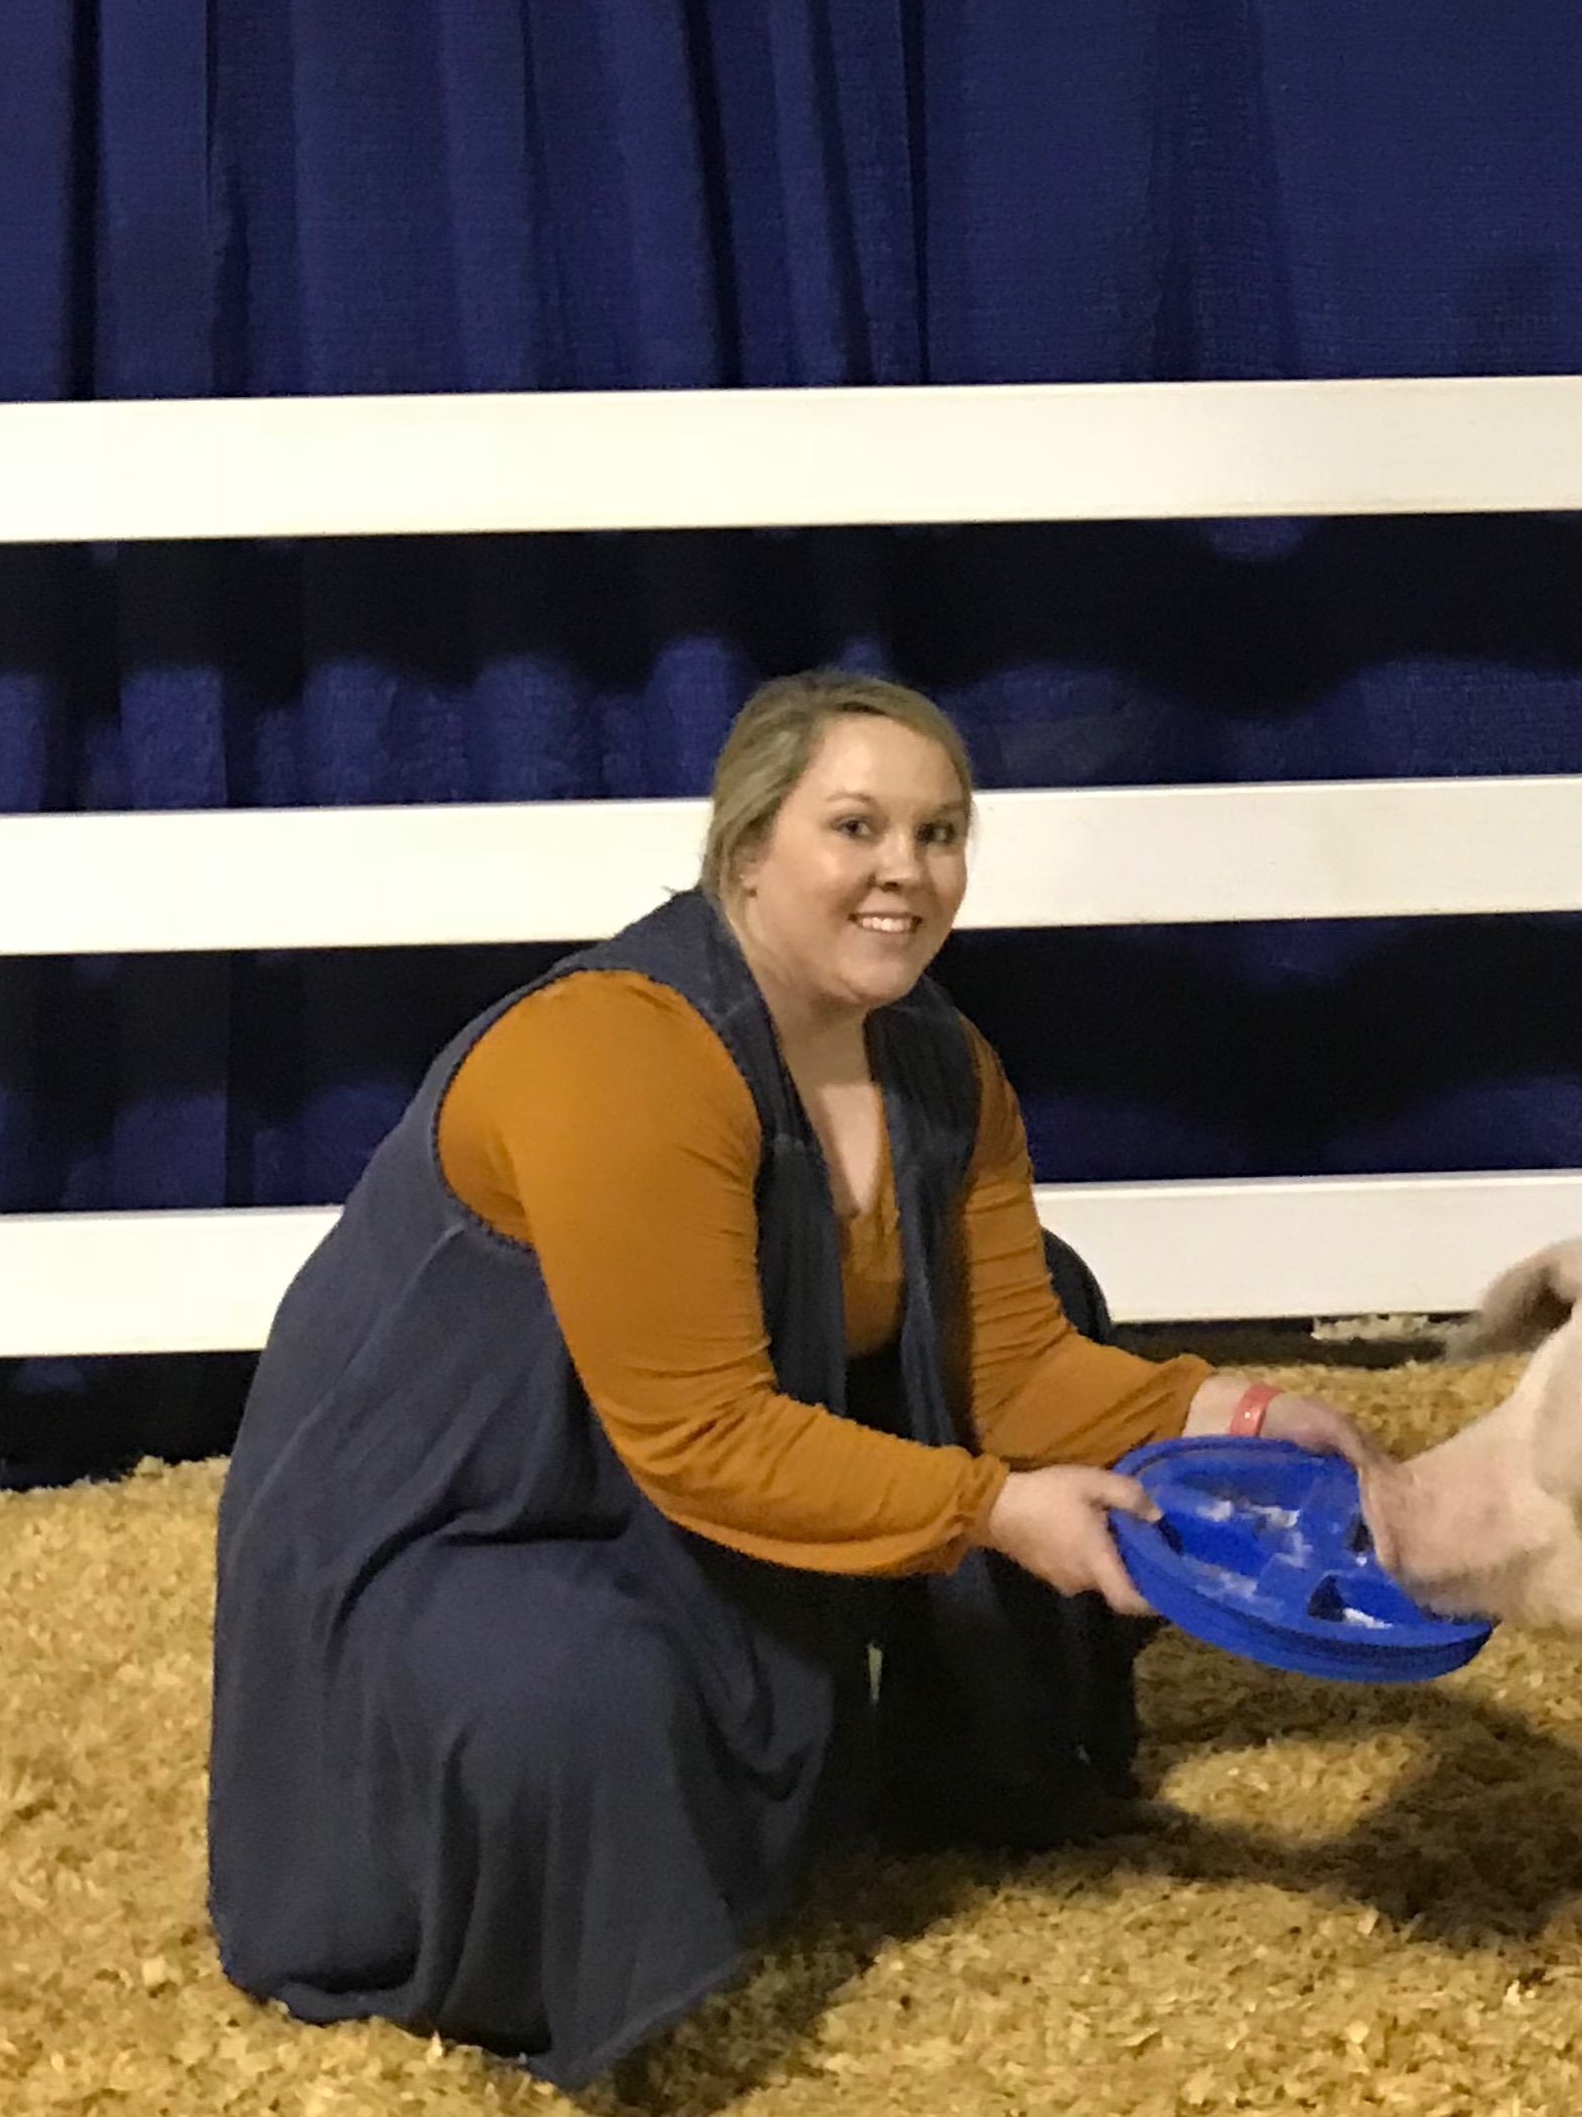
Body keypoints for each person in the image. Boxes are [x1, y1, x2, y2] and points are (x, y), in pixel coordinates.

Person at [209, 670, 1373, 2090]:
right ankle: (535, 1966)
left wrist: (1234, 1413)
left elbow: (1012, 1359)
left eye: (940, 834)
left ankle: (965, 1774)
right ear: (748, 848)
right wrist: (997, 1513)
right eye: (857, 827)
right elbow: (699, 1434)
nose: (906, 872)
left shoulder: (943, 1063)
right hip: (469, 1506)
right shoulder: (623, 1052)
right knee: (584, 1696)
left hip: (672, 1460)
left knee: (1056, 1291)